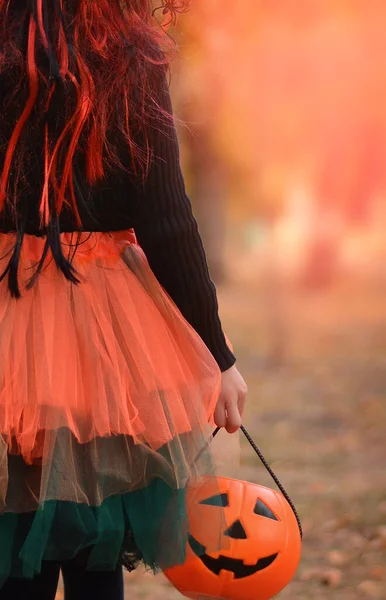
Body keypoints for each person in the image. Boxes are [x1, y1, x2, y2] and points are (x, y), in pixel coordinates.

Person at [0, 1, 247, 599]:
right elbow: (165, 222)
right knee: (94, 545)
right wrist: (220, 355)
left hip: (7, 306)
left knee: (13, 537)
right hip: (104, 331)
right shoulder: (129, 54)